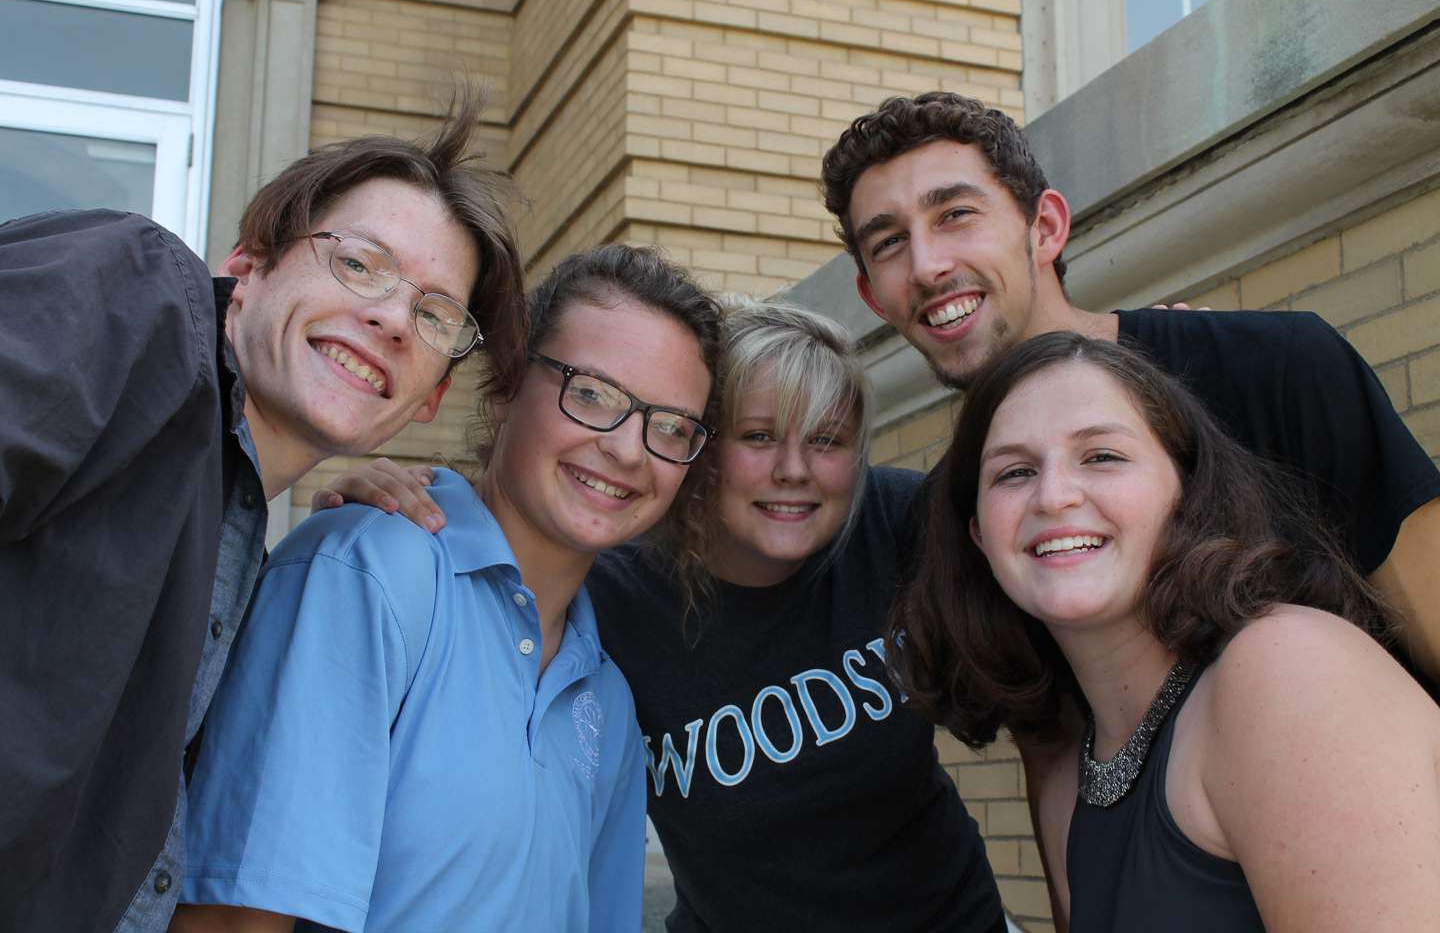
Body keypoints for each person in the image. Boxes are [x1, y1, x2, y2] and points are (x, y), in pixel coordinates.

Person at [0, 95, 527, 933]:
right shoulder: (143, 296)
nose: (393, 317)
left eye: (435, 314)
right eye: (359, 263)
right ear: (248, 265)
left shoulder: (245, 540)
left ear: (430, 397)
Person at [314, 297, 1007, 932]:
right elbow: (500, 546)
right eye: (759, 436)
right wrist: (388, 488)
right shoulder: (614, 589)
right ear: (698, 451)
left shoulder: (894, 523)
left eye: (826, 441)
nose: (794, 469)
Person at [171, 245, 724, 932]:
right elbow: (231, 919)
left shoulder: (606, 698)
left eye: (670, 426)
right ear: (505, 388)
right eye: (590, 394)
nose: (628, 449)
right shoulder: (366, 574)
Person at [819, 91, 1440, 684]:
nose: (926, 264)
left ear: (1045, 228)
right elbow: (1058, 751)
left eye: (956, 214)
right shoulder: (960, 511)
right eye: (890, 242)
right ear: (873, 295)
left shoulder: (1274, 368)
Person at [891, 331, 1440, 932]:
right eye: (1014, 472)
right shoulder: (1073, 782)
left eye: (1102, 456)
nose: (1053, 495)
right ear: (978, 534)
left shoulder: (1287, 669)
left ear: (1185, 488)